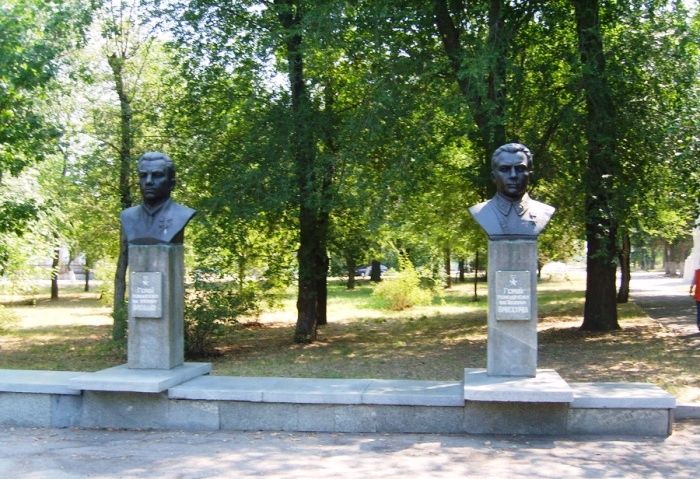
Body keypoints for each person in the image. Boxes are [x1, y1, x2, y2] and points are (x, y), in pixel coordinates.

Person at [469, 143, 555, 239]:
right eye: (505, 169)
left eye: (520, 169)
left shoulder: (544, 211)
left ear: (530, 176)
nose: (513, 175)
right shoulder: (480, 212)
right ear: (493, 177)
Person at [120, 152, 196, 245]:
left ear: (172, 183)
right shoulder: (127, 216)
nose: (148, 181)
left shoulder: (182, 214)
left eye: (157, 175)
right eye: (143, 176)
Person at [690, 266, 700, 331]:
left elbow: (693, 281)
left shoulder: (697, 272)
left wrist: (690, 289)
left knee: (699, 311)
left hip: (698, 295)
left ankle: (699, 324)